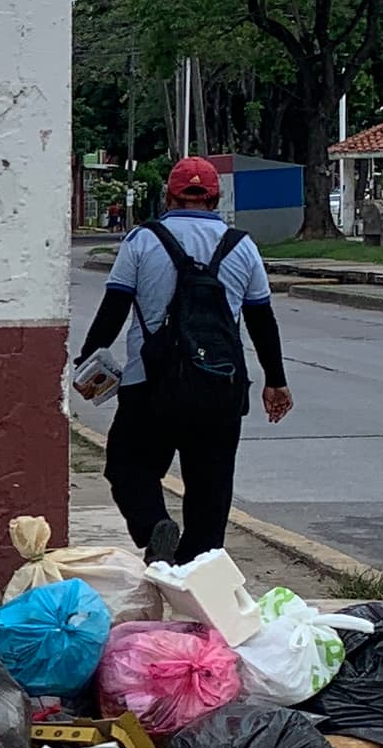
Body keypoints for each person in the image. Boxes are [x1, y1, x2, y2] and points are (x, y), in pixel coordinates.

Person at [73, 154, 292, 562]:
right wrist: (275, 380)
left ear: (168, 197)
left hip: (149, 385)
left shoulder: (142, 240)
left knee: (128, 466)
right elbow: (262, 320)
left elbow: (113, 309)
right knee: (211, 489)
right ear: (215, 199)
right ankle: (198, 571)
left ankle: (154, 525)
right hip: (220, 388)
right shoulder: (242, 246)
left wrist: (88, 360)